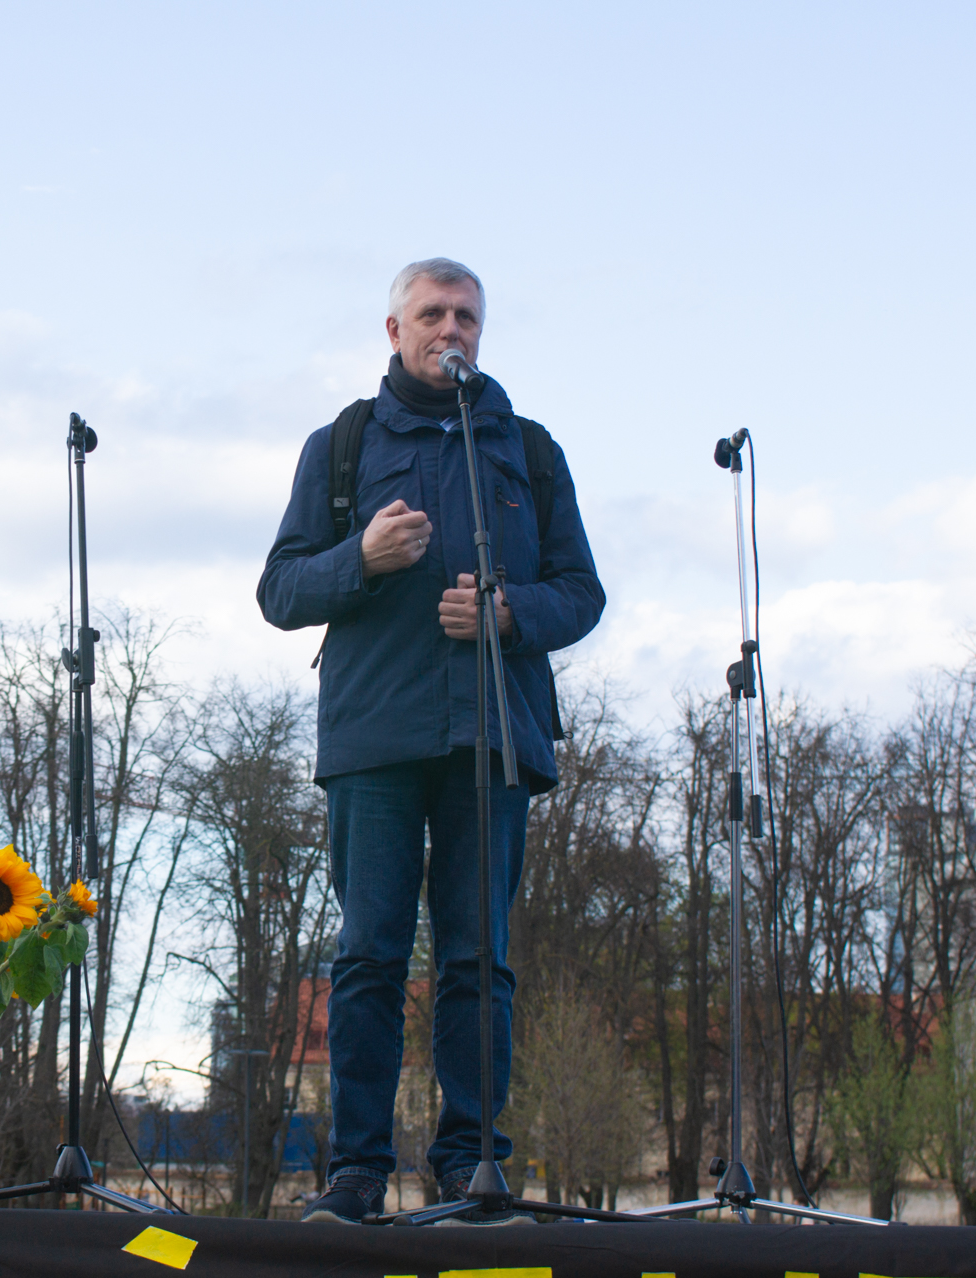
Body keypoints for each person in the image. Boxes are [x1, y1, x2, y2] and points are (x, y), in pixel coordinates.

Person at [258, 258, 604, 1224]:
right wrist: (358, 560)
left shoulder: (527, 451)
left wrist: (507, 611)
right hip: (374, 737)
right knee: (368, 955)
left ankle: (471, 1167)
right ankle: (356, 1175)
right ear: (394, 328)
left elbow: (582, 593)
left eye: (467, 316)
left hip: (491, 738)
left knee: (478, 959)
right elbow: (280, 590)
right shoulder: (343, 445)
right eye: (431, 314)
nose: (450, 329)